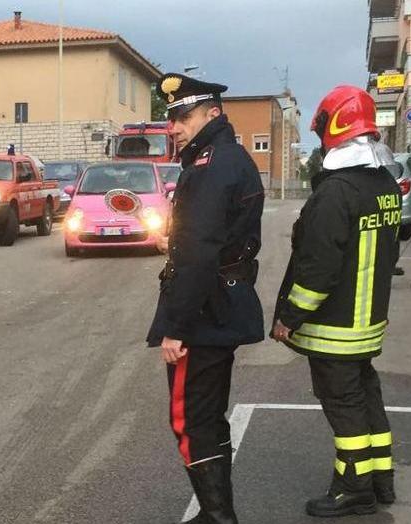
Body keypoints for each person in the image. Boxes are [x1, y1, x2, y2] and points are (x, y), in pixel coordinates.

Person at [272, 85, 401, 518]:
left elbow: (318, 269)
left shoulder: (335, 192)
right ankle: (381, 480)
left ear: (334, 127)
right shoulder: (383, 183)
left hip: (336, 328)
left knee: (345, 409)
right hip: (368, 322)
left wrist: (289, 317)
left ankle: (353, 489)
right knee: (367, 397)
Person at [147, 72, 265, 524]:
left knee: (190, 421)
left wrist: (176, 328)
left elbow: (200, 254)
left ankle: (219, 518)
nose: (174, 127)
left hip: (203, 313)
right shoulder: (227, 158)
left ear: (212, 113)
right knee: (209, 417)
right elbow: (222, 237)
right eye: (171, 118)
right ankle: (218, 513)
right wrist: (177, 241)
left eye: (182, 116)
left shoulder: (210, 165)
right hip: (222, 301)